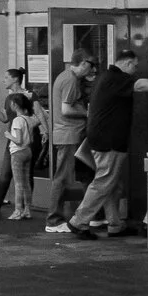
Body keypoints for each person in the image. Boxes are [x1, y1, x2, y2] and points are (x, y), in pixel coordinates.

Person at [66, 45, 148, 240]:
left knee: (113, 185)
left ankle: (115, 224)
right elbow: (140, 85)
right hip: (110, 141)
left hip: (102, 139)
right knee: (104, 182)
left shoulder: (105, 77)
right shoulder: (117, 78)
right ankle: (78, 221)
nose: (135, 70)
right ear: (128, 63)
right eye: (135, 66)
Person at [43, 46, 94, 231]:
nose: (93, 69)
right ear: (83, 63)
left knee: (85, 176)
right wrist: (87, 113)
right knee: (63, 178)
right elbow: (66, 109)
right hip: (69, 135)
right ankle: (54, 220)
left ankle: (89, 215)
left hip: (68, 134)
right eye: (91, 64)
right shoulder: (71, 79)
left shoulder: (65, 77)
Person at [0, 66, 33, 217]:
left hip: (23, 139)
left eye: (7, 77)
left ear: (15, 79)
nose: (4, 80)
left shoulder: (28, 96)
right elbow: (5, 118)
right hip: (14, 141)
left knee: (25, 177)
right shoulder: (9, 99)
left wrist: (39, 130)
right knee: (6, 173)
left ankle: (24, 209)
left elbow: (37, 115)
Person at [0, 88, 39, 222]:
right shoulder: (29, 119)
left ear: (15, 105)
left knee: (18, 183)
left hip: (17, 152)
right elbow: (40, 120)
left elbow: (18, 140)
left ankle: (18, 210)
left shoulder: (17, 120)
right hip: (28, 151)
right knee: (26, 182)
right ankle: (27, 209)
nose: (10, 105)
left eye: (11, 103)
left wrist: (8, 135)